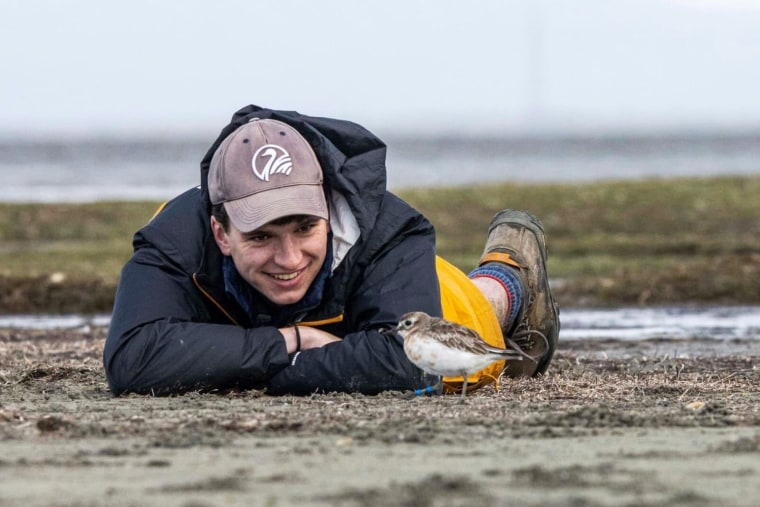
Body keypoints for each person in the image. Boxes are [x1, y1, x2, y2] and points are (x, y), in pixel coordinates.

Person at [103, 105, 559, 396]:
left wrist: (267, 373)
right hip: (346, 327)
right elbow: (132, 358)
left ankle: (511, 278)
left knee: (470, 312)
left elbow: (406, 362)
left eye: (304, 228)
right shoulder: (174, 237)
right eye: (260, 236)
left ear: (327, 209)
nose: (289, 258)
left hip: (414, 293)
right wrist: (291, 342)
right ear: (221, 233)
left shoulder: (390, 230)